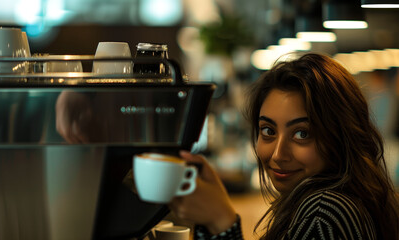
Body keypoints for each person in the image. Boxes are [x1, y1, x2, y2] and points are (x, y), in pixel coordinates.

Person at [169, 52, 399, 240]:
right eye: (268, 131)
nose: (278, 154)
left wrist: (221, 221)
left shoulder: (324, 213)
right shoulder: (332, 201)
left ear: (341, 137)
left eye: (302, 134)